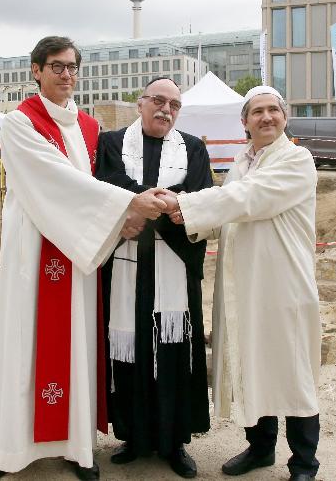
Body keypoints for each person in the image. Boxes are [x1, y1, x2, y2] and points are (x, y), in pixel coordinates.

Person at [0, 35, 169, 481]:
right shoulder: (19, 122)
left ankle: (75, 444)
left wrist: (121, 217)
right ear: (36, 70)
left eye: (71, 67)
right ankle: (12, 446)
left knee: (76, 344)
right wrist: (126, 205)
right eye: (56, 66)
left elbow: (94, 184)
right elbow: (53, 182)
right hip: (34, 248)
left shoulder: (88, 128)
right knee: (25, 343)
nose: (66, 74)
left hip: (76, 251)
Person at [163, 86, 321, 481]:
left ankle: (304, 463)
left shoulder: (296, 160)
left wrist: (185, 205)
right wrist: (185, 217)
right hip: (245, 285)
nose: (266, 118)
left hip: (284, 285)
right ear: (245, 122)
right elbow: (230, 208)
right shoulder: (242, 162)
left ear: (284, 117)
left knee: (294, 371)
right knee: (253, 364)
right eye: (257, 112)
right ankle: (260, 448)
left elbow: (248, 198)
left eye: (273, 111)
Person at [94, 77, 211, 478]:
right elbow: (105, 186)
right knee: (129, 350)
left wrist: (147, 204)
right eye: (158, 100)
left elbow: (198, 197)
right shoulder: (110, 142)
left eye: (174, 105)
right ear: (140, 102)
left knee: (173, 349)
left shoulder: (193, 147)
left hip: (173, 268)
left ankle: (173, 442)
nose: (165, 109)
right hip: (125, 267)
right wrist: (156, 198)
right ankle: (133, 437)